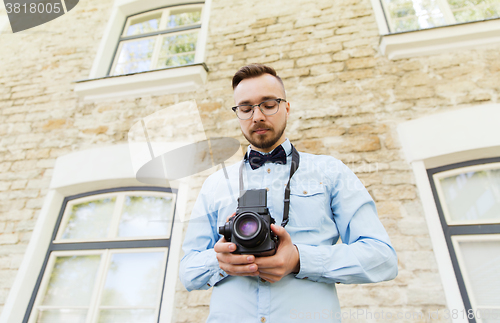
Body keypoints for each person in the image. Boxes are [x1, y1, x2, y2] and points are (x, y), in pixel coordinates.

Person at [179, 64, 398, 322]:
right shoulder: (215, 184)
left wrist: (299, 259)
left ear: (286, 107)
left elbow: (382, 258)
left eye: (268, 104)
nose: (257, 116)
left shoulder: (331, 172)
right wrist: (220, 261)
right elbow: (188, 271)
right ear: (237, 113)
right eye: (246, 108)